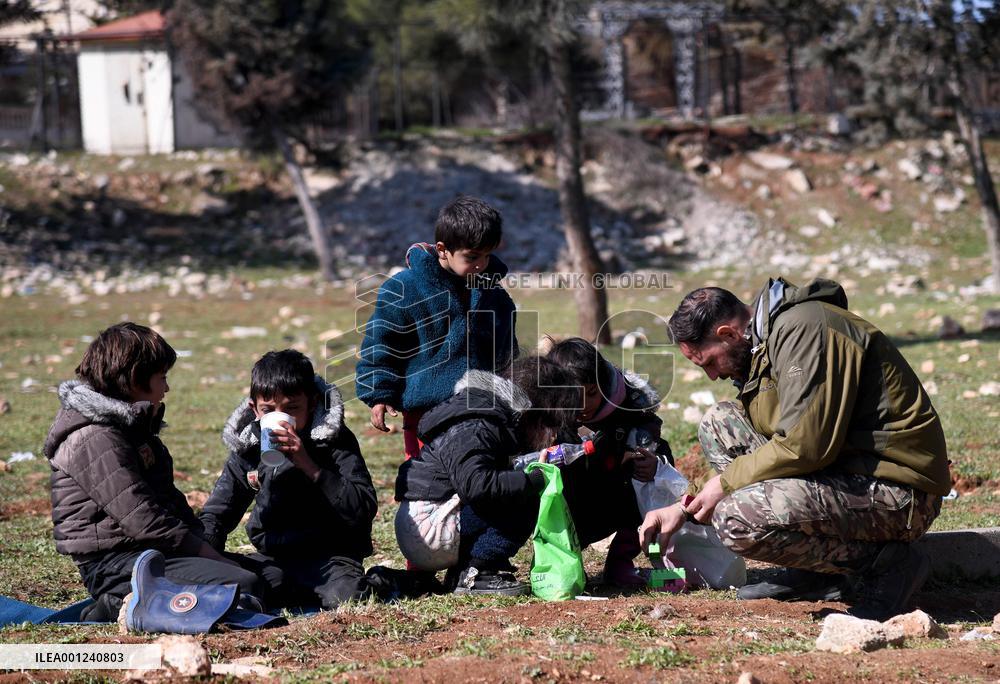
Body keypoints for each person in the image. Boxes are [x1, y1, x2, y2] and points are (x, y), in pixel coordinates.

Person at [639, 278, 950, 619]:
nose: (713, 376)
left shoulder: (804, 330)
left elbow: (806, 446)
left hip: (900, 493)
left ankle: (888, 566)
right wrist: (684, 509)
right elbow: (781, 441)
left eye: (709, 363)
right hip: (848, 471)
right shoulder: (765, 343)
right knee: (720, 423)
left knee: (735, 518)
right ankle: (818, 571)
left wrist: (725, 485)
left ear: (729, 334)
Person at [43, 323, 268, 622]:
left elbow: (167, 499)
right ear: (135, 379)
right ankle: (117, 602)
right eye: (162, 377)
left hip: (154, 550)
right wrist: (207, 555)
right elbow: (143, 519)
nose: (167, 388)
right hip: (116, 564)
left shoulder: (132, 427)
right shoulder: (95, 438)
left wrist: (205, 546)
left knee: (272, 576)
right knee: (245, 585)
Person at [200, 350, 388, 609]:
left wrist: (309, 465)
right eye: (268, 410)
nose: (280, 416)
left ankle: (387, 582)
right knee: (238, 584)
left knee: (346, 596)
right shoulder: (251, 445)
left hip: (331, 557)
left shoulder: (333, 441)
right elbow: (219, 512)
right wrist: (203, 555)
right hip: (274, 557)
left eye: (292, 408)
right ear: (254, 409)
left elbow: (363, 507)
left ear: (311, 404)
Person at [393, 356, 578, 595]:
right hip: (430, 529)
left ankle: (464, 570)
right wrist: (534, 481)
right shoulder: (476, 424)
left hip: (436, 521)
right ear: (534, 409)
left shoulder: (486, 415)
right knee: (524, 495)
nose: (551, 433)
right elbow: (477, 485)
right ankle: (478, 572)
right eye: (549, 422)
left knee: (515, 485)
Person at [356, 195, 519, 462]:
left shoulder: (495, 296)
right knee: (428, 490)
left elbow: (506, 353)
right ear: (443, 249)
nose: (481, 264)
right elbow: (381, 345)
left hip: (483, 412)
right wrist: (379, 394)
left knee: (479, 486)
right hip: (426, 414)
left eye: (488, 255)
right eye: (472, 256)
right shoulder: (404, 289)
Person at [545, 337, 673, 587]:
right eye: (573, 397)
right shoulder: (550, 416)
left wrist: (654, 463)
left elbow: (652, 441)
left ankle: (621, 563)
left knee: (652, 471)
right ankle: (560, 561)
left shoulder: (629, 406)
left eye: (592, 393)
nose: (584, 405)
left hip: (617, 494)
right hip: (572, 501)